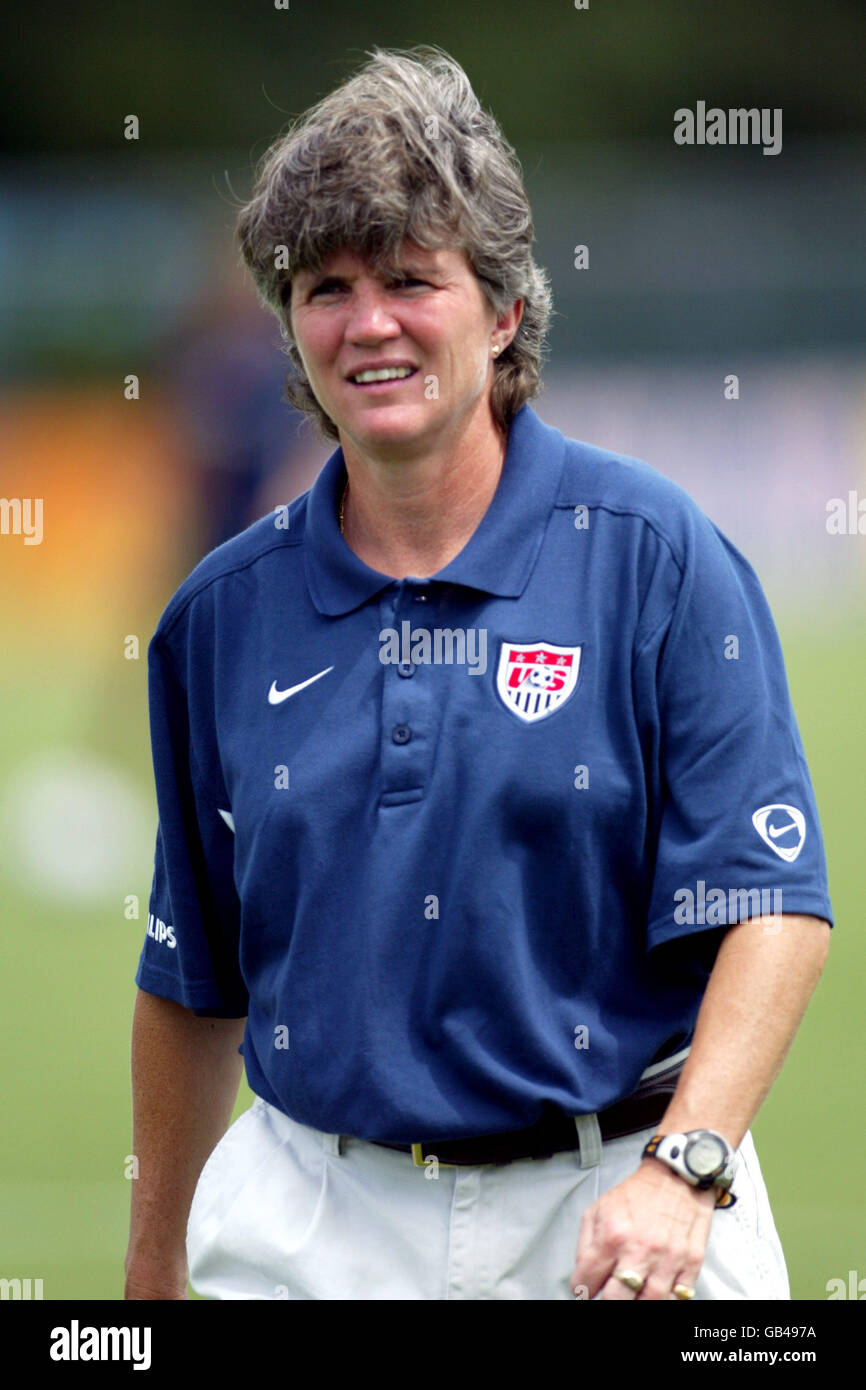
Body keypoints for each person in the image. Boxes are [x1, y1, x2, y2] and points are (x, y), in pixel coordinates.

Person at [125, 45, 832, 1302]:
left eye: (409, 277)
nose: (368, 322)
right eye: (325, 285)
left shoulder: (656, 557)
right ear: (288, 326)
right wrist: (149, 1268)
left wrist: (687, 1170)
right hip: (309, 1218)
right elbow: (191, 974)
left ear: (502, 311)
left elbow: (771, 907)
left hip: (623, 1206)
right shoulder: (217, 614)